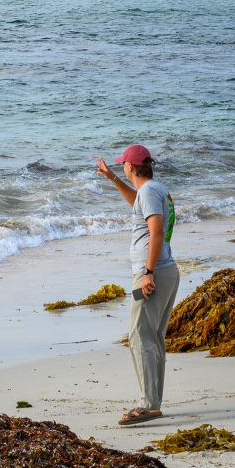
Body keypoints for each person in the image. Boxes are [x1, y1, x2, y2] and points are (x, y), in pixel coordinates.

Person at [96, 144, 179, 425]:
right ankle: (152, 402)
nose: (122, 167)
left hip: (155, 273)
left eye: (123, 164)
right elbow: (138, 205)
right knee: (151, 337)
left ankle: (148, 405)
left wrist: (147, 272)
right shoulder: (152, 190)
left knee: (139, 337)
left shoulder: (149, 191)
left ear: (131, 166)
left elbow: (156, 233)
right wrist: (113, 179)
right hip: (164, 271)